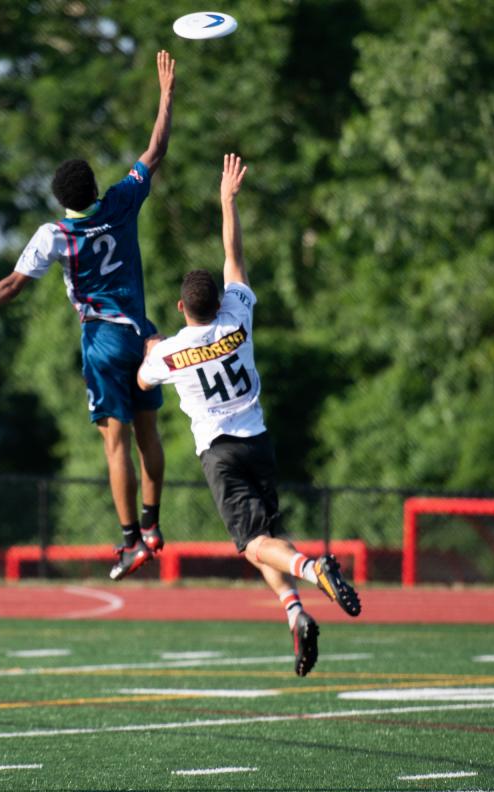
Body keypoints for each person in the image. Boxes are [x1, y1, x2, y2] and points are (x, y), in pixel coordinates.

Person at [0, 51, 177, 581]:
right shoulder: (122, 201)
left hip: (103, 342)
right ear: (95, 187)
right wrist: (166, 95)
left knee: (115, 443)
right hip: (143, 335)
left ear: (60, 197)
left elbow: (11, 286)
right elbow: (155, 150)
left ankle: (130, 541)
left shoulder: (55, 234)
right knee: (148, 434)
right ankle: (154, 525)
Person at [137, 155, 361, 677]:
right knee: (264, 541)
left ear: (181, 308)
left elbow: (144, 381)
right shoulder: (237, 314)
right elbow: (233, 255)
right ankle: (295, 612)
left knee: (254, 542)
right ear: (219, 301)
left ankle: (313, 569)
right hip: (258, 439)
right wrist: (228, 200)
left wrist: (152, 348)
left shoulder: (171, 351)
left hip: (219, 452)